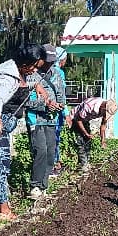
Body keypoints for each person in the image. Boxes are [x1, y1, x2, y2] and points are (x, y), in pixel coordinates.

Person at [0, 44, 45, 228]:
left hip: (4, 126)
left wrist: (39, 88)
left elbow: (29, 85)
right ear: (25, 63)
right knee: (0, 167)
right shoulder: (7, 75)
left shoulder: (23, 74)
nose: (35, 70)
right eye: (34, 66)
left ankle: (4, 210)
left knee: (3, 165)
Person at [24, 44, 67, 199]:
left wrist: (60, 106)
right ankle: (35, 185)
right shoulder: (31, 75)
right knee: (40, 151)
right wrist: (45, 105)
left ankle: (44, 184)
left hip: (52, 119)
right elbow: (27, 102)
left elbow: (61, 96)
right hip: (35, 119)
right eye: (46, 60)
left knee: (50, 152)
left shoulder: (56, 74)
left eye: (51, 61)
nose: (49, 63)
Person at [69, 96, 118, 172]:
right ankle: (83, 165)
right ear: (103, 108)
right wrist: (85, 133)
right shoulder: (89, 105)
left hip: (85, 120)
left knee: (88, 142)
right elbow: (78, 120)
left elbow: (103, 126)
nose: (105, 115)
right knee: (80, 142)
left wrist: (103, 141)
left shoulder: (106, 108)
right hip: (75, 119)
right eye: (105, 113)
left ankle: (86, 162)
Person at [50, 46, 70, 178]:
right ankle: (54, 167)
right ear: (61, 59)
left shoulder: (45, 70)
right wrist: (66, 113)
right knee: (54, 138)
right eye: (65, 59)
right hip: (56, 112)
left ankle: (56, 163)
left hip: (49, 109)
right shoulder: (58, 72)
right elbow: (61, 96)